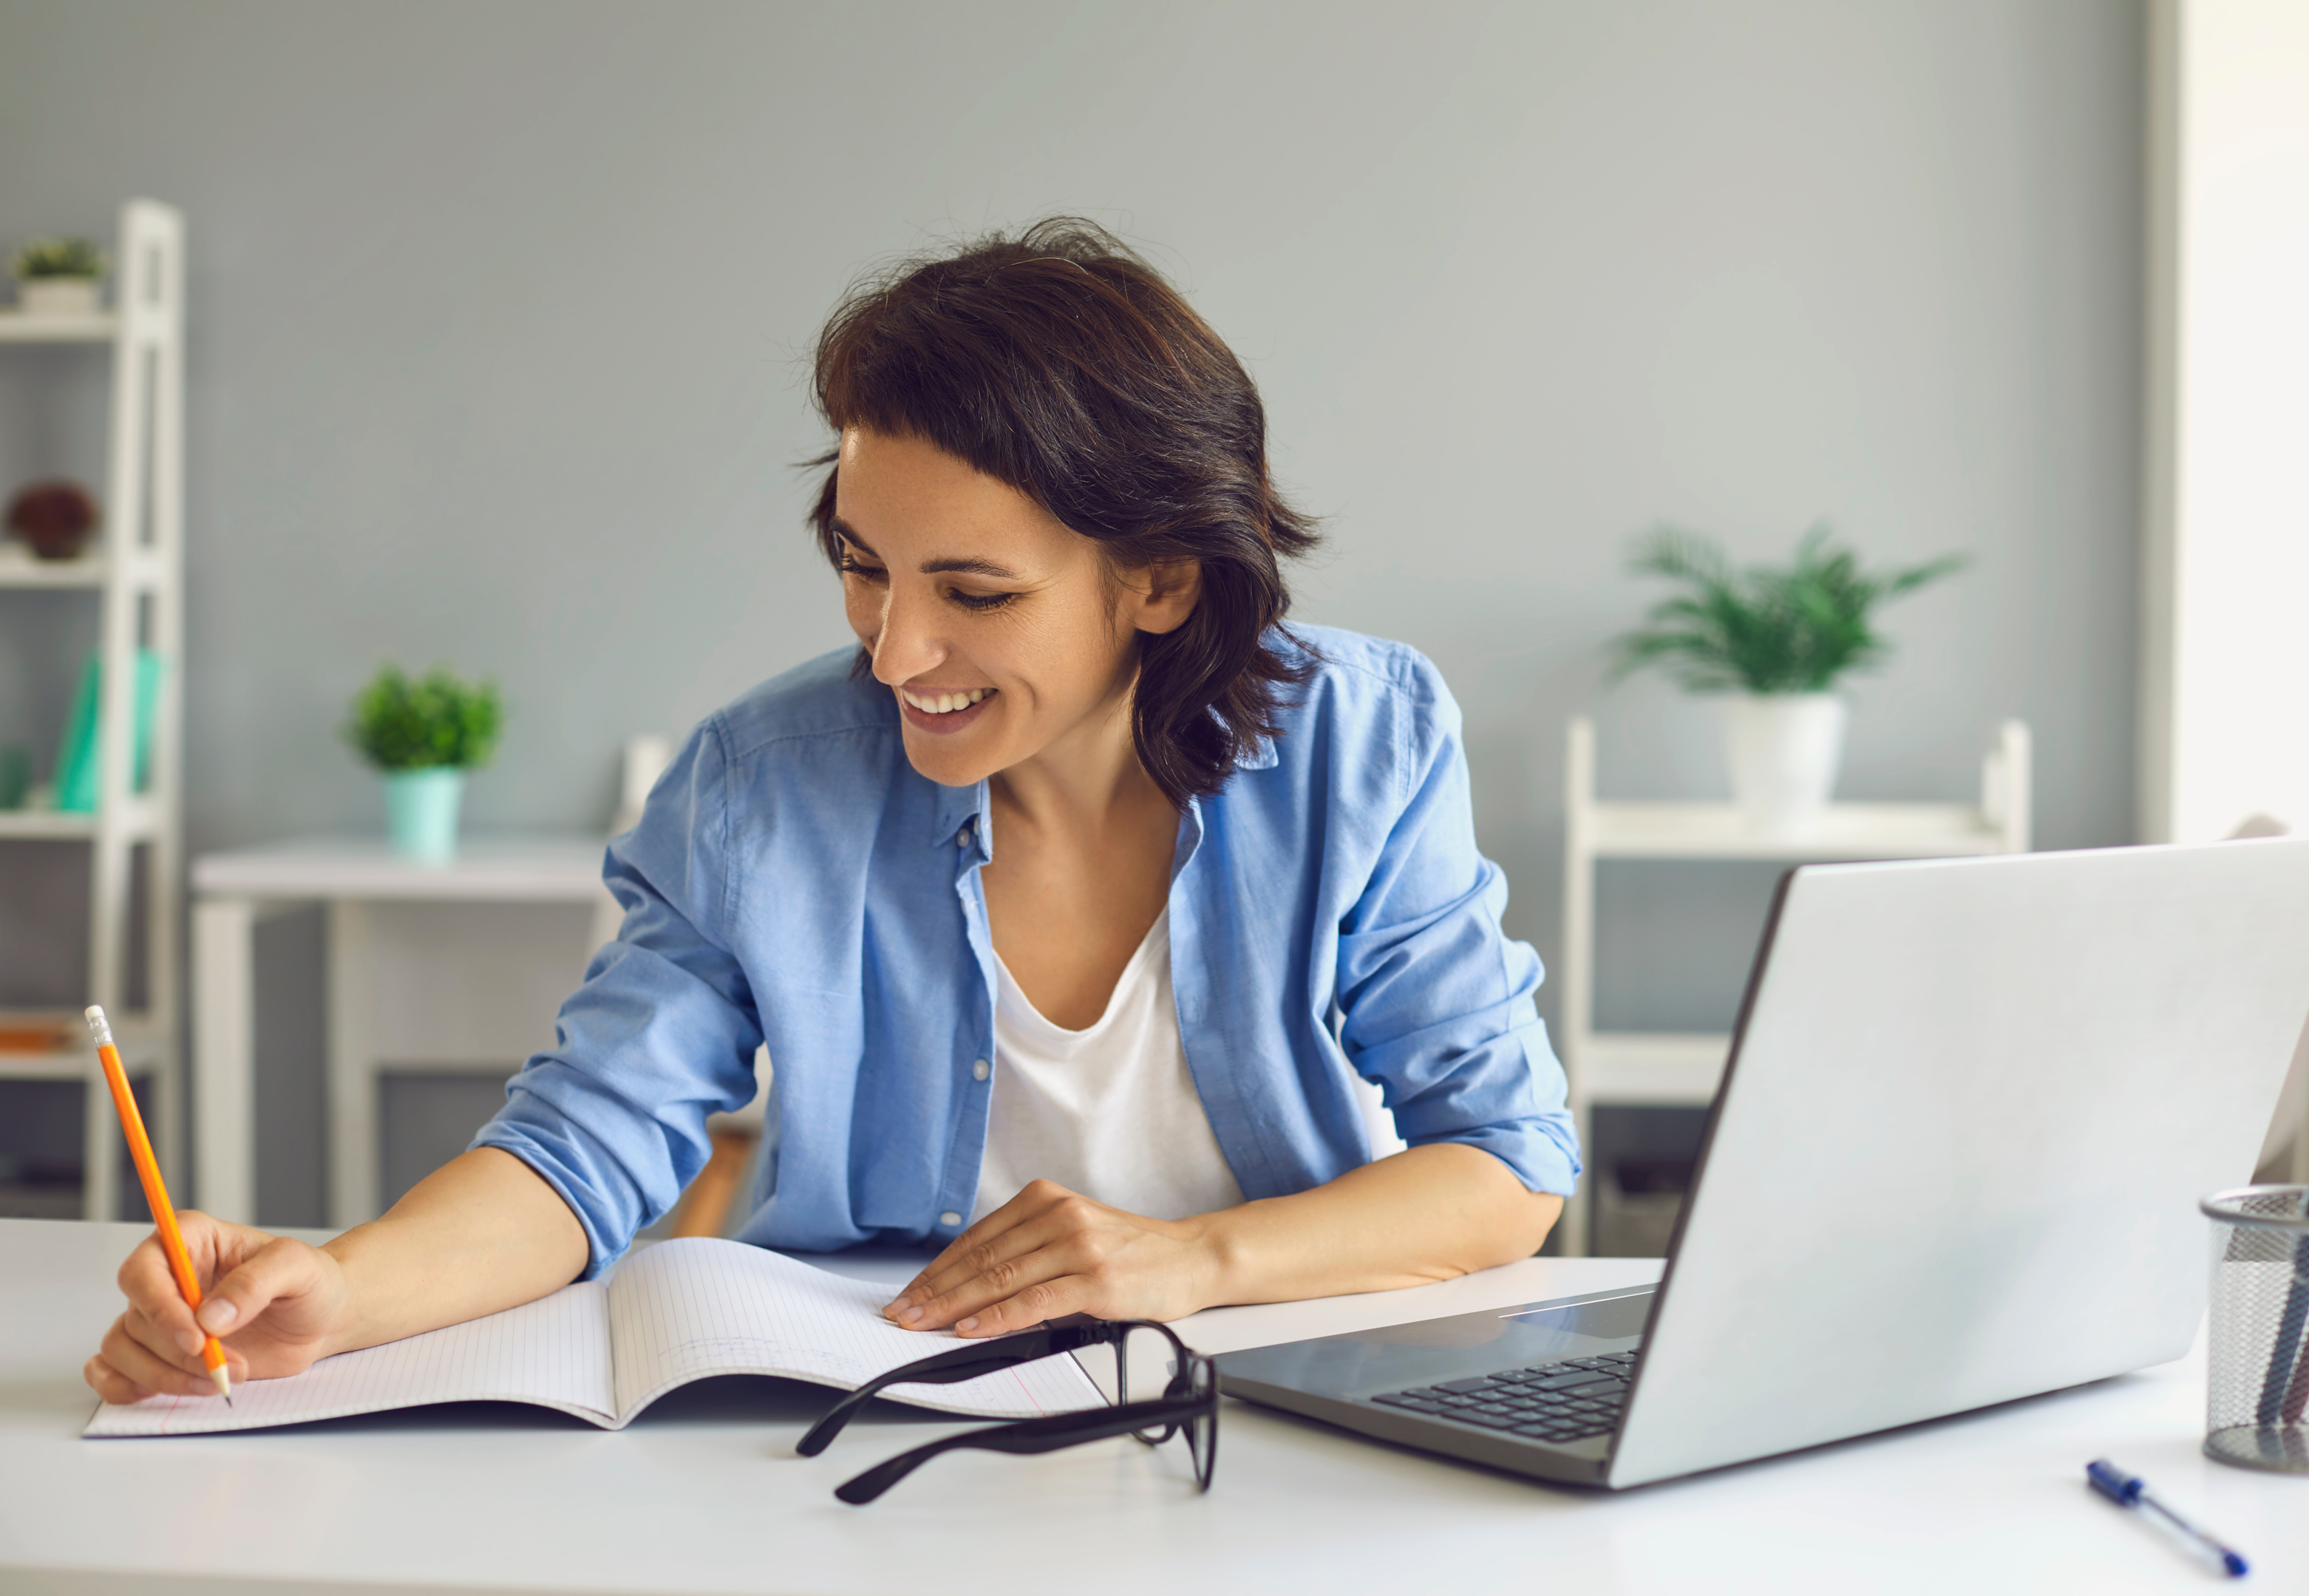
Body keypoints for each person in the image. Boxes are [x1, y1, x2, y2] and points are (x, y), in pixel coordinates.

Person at [84, 219, 1577, 1405]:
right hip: (866, 1411)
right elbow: (585, 1144)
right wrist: (341, 1290)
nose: (893, 651)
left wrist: (1188, 1261)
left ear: (1162, 580)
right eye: (864, 563)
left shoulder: (1355, 738)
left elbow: (1511, 1164)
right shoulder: (764, 780)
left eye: (973, 592)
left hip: (1259, 1400)